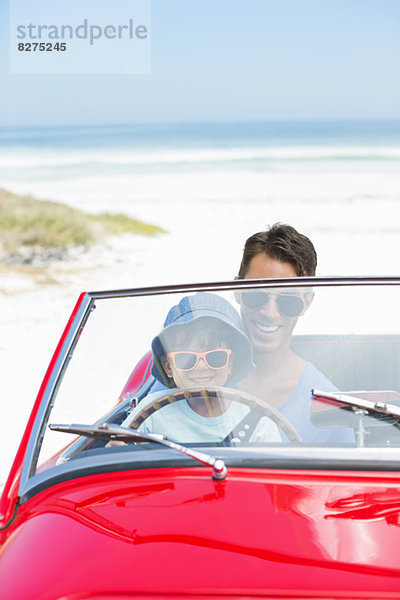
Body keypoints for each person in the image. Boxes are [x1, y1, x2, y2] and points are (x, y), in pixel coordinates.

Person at [236, 223, 353, 443]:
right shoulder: (194, 368)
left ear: (307, 302)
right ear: (237, 290)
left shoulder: (326, 406)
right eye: (256, 294)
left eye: (287, 301)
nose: (269, 313)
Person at [123, 292, 282, 444]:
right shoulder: (150, 412)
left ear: (231, 363)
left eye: (215, 357)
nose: (200, 367)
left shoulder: (259, 421)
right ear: (168, 367)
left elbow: (277, 470)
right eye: (186, 359)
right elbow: (115, 456)